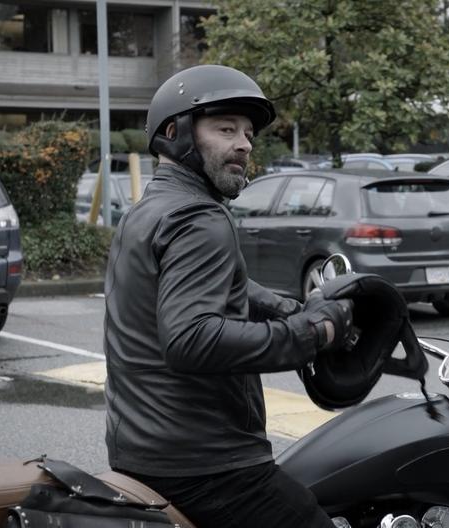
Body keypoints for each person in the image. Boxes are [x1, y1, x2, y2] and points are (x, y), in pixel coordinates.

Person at [102, 64, 351, 528]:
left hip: (143, 449)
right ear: (175, 134)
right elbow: (191, 339)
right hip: (207, 467)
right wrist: (313, 331)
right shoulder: (199, 218)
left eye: (248, 132)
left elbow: (223, 285)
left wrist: (290, 308)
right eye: (225, 128)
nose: (244, 144)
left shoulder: (149, 209)